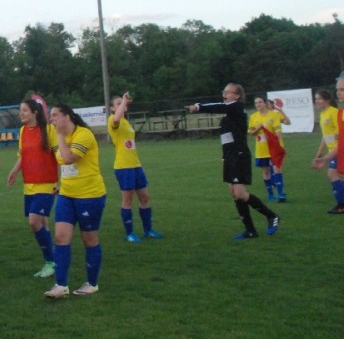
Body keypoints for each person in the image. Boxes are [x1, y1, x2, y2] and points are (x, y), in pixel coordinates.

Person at [186, 84, 279, 240]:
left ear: (237, 96)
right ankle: (250, 230)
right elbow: (226, 139)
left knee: (240, 193)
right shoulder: (227, 117)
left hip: (239, 155)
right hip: (230, 156)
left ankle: (272, 216)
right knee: (234, 194)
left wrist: (198, 106)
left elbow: (218, 106)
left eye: (228, 92)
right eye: (224, 92)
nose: (224, 94)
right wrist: (224, 157)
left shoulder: (237, 107)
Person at [43, 104, 107, 298]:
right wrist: (62, 184)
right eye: (51, 116)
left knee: (89, 239)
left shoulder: (84, 134)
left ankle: (92, 283)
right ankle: (61, 285)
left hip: (90, 196)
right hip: (67, 195)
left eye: (55, 115)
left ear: (67, 117)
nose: (52, 119)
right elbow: (63, 165)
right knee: (60, 237)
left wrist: (59, 135)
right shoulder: (59, 136)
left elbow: (68, 158)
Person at [6, 98, 59, 278]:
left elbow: (59, 155)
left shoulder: (49, 130)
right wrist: (14, 171)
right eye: (20, 110)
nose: (21, 113)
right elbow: (23, 156)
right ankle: (54, 257)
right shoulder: (22, 131)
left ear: (35, 112)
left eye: (25, 110)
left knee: (34, 222)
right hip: (29, 184)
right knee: (42, 223)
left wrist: (62, 180)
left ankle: (50, 261)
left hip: (47, 184)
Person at [107, 92, 164, 242]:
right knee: (127, 200)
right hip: (124, 166)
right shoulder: (113, 119)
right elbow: (116, 119)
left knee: (145, 197)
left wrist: (124, 102)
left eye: (122, 102)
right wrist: (125, 100)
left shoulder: (126, 122)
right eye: (118, 103)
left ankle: (148, 230)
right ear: (112, 108)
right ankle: (129, 233)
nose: (122, 104)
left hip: (135, 165)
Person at [312, 87, 344, 214]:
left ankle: (341, 205)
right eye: (316, 99)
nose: (317, 101)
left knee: (332, 174)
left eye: (319, 99)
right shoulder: (322, 114)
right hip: (333, 151)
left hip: (338, 149)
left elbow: (339, 132)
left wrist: (339, 137)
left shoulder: (334, 112)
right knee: (337, 176)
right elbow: (325, 136)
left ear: (327, 100)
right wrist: (320, 152)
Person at [248, 97, 286, 202]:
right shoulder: (253, 117)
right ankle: (270, 194)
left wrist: (279, 144)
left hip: (273, 148)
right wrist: (258, 128)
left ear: (265, 103)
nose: (258, 104)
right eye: (256, 103)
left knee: (277, 169)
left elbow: (278, 130)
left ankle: (281, 194)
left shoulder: (273, 115)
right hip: (261, 149)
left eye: (260, 102)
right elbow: (251, 132)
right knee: (266, 171)